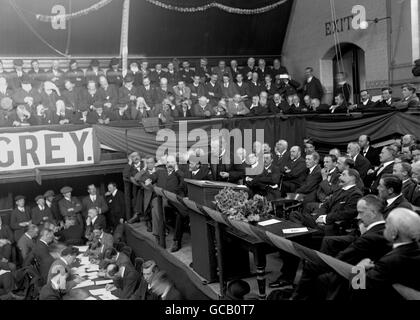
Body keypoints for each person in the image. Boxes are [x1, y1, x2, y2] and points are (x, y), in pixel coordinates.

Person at [291, 195, 390, 300]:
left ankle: (298, 297)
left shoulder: (368, 238)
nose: (358, 217)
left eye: (361, 212)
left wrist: (326, 261)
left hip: (360, 277)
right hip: (365, 270)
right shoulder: (386, 229)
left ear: (373, 213)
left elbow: (342, 258)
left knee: (312, 265)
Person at [351, 208, 420, 300]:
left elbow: (358, 290)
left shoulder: (389, 262)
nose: (384, 228)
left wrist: (359, 267)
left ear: (394, 232)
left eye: (386, 225)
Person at [289, 169, 363, 235]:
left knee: (306, 228)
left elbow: (347, 213)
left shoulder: (356, 194)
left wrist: (325, 218)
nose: (340, 177)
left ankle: (303, 233)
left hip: (333, 225)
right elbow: (326, 205)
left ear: (352, 178)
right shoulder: (339, 189)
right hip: (320, 220)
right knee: (294, 214)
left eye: (343, 175)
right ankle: (304, 232)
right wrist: (319, 217)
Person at [145, 155, 186, 251]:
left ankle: (167, 237)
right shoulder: (160, 172)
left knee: (179, 213)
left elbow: (183, 182)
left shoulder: (178, 173)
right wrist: (148, 179)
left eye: (172, 162)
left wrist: (176, 169)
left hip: (173, 199)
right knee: (155, 207)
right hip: (160, 198)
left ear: (175, 163)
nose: (169, 164)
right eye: (168, 162)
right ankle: (159, 235)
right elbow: (151, 176)